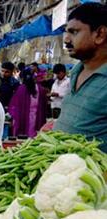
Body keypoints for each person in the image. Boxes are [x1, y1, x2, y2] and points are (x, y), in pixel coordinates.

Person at [54, 3, 107, 152]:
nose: (66, 40)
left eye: (74, 32)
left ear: (100, 34)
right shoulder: (76, 72)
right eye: (66, 32)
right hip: (59, 170)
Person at [8, 69, 48, 138]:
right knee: (34, 138)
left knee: (23, 139)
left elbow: (14, 106)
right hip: (37, 118)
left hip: (23, 119)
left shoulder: (21, 89)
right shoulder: (41, 89)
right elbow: (44, 107)